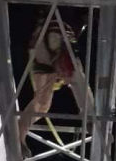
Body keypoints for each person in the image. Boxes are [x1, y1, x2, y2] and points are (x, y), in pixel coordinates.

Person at [18, 9, 92, 145]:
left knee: (43, 103)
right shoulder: (64, 29)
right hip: (48, 45)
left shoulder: (71, 31)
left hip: (48, 46)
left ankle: (20, 132)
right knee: (44, 102)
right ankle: (20, 132)